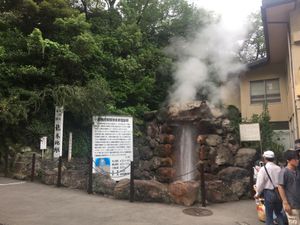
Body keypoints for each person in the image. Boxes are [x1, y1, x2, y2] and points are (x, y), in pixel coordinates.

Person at [255, 150, 285, 225]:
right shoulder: (278, 168)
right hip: (278, 192)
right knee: (279, 213)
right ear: (273, 158)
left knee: (269, 215)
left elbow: (260, 184)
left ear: (264, 158)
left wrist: (257, 193)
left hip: (268, 193)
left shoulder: (263, 169)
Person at [278, 150, 300, 225]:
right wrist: (285, 203)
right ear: (288, 160)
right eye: (295, 159)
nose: (297, 160)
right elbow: (280, 187)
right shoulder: (284, 172)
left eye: (298, 158)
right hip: (292, 205)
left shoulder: (297, 171)